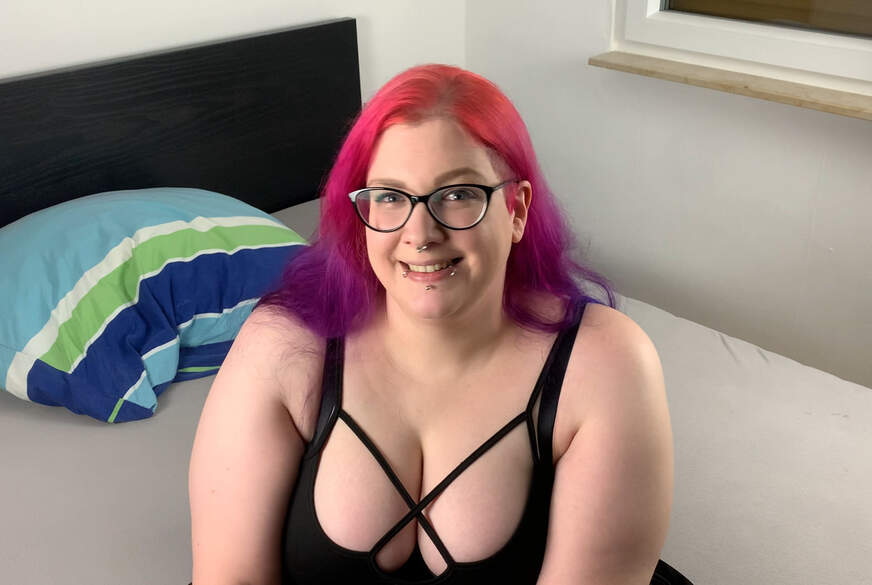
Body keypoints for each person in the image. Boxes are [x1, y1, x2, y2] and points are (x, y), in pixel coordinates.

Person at [189, 64, 692, 585]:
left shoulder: (605, 361)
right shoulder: (280, 346)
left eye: (458, 194)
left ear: (517, 210)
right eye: (390, 196)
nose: (421, 233)